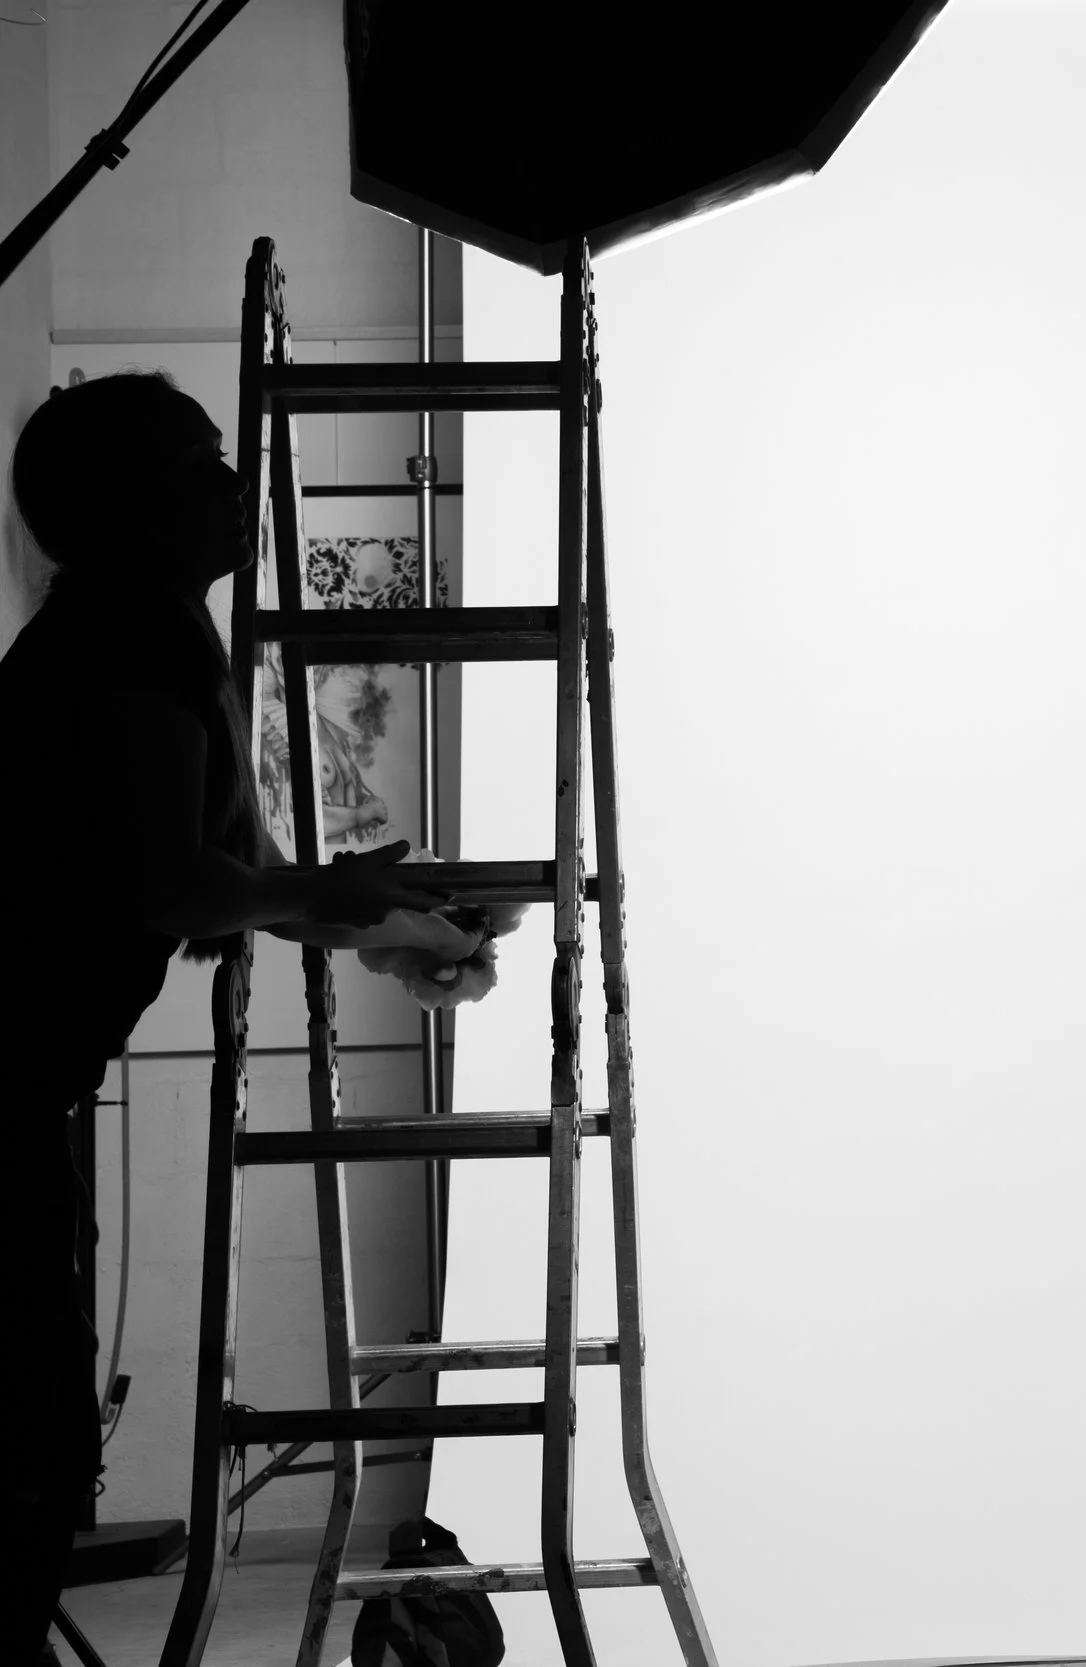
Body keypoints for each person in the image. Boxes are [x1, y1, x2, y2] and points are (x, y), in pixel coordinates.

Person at [0, 372, 481, 1662]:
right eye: (201, 461)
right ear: (124, 503)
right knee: (29, 1461)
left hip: (30, 1081)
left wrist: (396, 930)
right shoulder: (124, 634)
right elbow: (176, 881)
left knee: (33, 1455)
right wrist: (329, 899)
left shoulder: (166, 636)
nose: (230, 485)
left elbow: (235, 892)